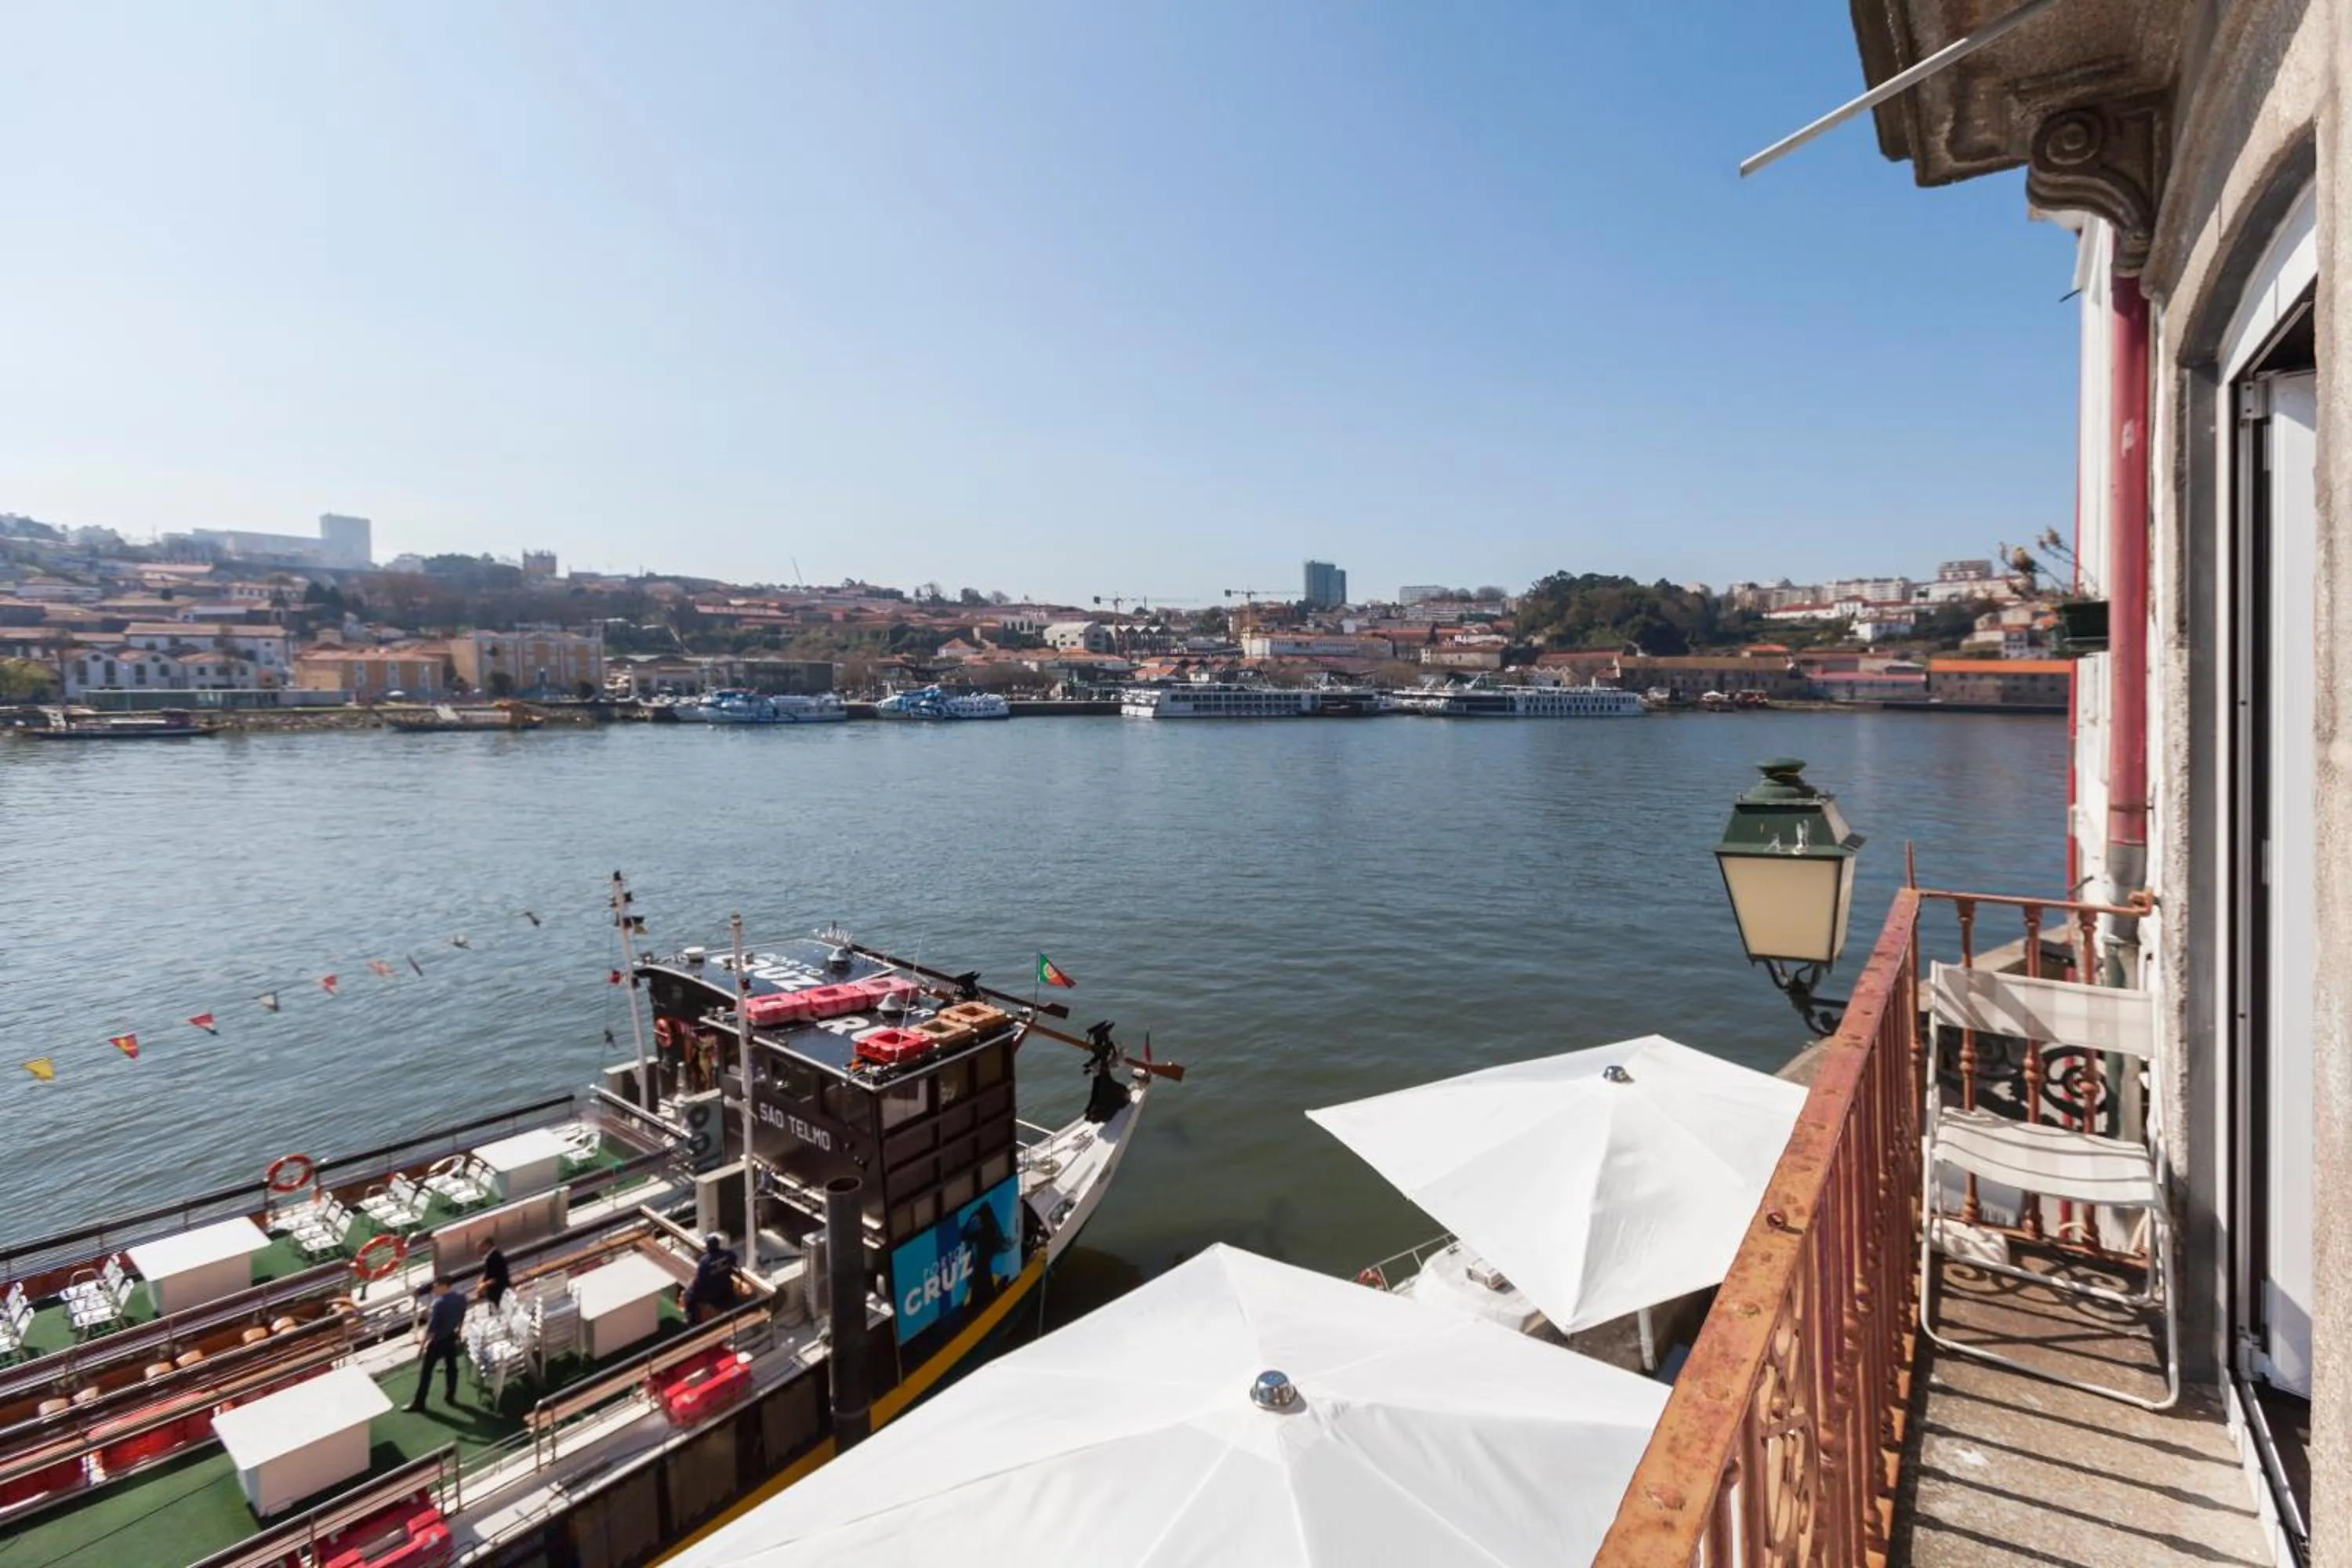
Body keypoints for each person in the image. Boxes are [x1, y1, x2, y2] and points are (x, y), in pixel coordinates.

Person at [407, 1276, 468, 1412]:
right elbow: (463, 1314)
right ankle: (450, 1396)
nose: (433, 1288)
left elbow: (431, 1329)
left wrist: (422, 1347)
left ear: (444, 1286)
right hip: (451, 1337)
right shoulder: (461, 1297)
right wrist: (459, 1330)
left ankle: (419, 1402)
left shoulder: (439, 1303)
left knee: (426, 1372)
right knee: (451, 1368)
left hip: (438, 1342)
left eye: (436, 1285)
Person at [684, 1232, 739, 1324]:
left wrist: (692, 1285)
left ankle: (692, 1321)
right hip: (727, 1289)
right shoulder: (728, 1254)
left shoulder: (705, 1261)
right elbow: (734, 1259)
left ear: (708, 1247)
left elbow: (700, 1282)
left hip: (713, 1295)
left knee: (688, 1296)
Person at [477, 1236, 510, 1309]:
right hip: (499, 1292)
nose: (479, 1250)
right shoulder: (493, 1256)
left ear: (487, 1246)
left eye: (480, 1247)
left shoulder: (494, 1257)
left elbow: (497, 1277)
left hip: (499, 1293)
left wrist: (483, 1285)